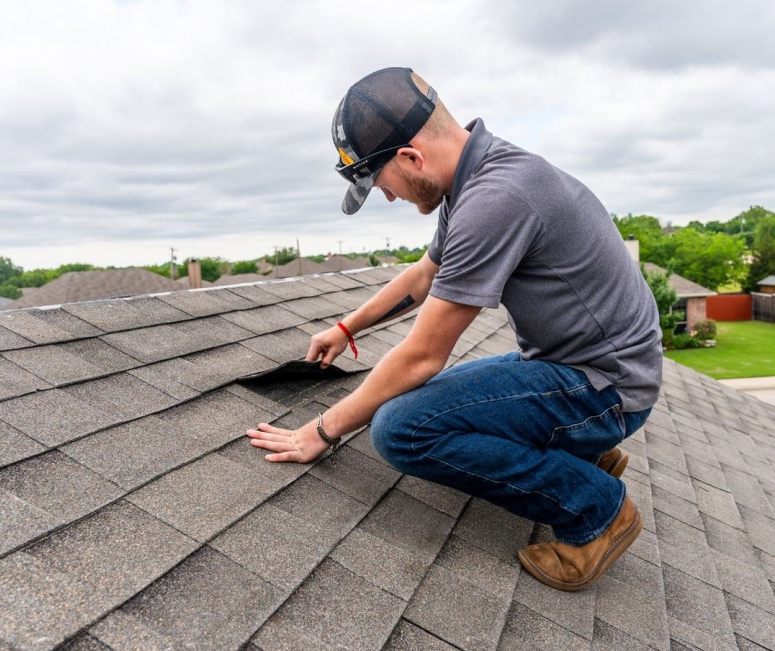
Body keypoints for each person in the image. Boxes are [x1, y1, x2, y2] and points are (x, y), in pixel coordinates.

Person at [248, 67, 662, 592]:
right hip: (587, 368)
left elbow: (423, 357)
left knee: (400, 428)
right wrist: (345, 327)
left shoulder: (496, 199)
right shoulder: (477, 175)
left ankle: (595, 508)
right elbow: (424, 276)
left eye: (382, 184)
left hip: (605, 388)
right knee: (433, 402)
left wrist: (319, 431)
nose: (390, 198)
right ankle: (581, 450)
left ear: (411, 157)